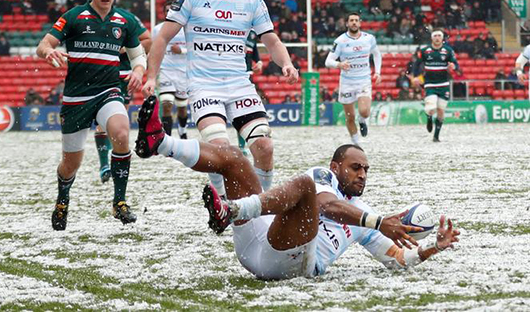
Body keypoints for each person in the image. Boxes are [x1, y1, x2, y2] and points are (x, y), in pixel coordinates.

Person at [134, 96, 460, 280]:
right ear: (336, 167)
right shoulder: (327, 180)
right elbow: (327, 206)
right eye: (355, 167)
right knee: (234, 157)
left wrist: (433, 247)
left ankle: (231, 210)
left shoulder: (364, 218)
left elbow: (400, 260)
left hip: (294, 263)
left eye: (366, 170)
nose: (362, 174)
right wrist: (376, 221)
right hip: (258, 241)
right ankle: (160, 142)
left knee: (301, 189)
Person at [142, 0, 299, 197]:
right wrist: (151, 77)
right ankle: (222, 199)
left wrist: (287, 63)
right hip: (205, 86)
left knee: (265, 146)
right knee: (221, 150)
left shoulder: (251, 0)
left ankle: (260, 203)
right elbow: (162, 39)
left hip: (240, 86)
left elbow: (271, 40)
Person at [36, 0, 147, 230]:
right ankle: (63, 199)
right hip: (76, 98)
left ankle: (119, 202)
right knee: (71, 163)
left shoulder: (126, 20)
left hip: (109, 91)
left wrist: (140, 71)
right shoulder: (74, 16)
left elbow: (137, 54)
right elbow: (44, 44)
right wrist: (48, 52)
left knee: (121, 134)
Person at [94, 14, 151, 184]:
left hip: (125, 76)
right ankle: (104, 165)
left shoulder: (126, 18)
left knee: (119, 120)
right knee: (103, 119)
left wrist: (125, 47)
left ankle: (113, 158)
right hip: (102, 75)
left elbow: (148, 41)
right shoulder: (88, 20)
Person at [325, 12, 382, 145]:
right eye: (351, 20)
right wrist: (339, 64)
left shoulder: (369, 38)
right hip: (347, 83)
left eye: (356, 20)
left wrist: (377, 72)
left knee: (365, 111)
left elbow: (377, 55)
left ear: (360, 23)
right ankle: (356, 144)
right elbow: (328, 61)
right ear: (347, 23)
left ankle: (363, 120)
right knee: (350, 117)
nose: (354, 23)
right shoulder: (340, 41)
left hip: (364, 80)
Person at [412, 30, 459, 142]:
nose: (437, 38)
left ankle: (436, 136)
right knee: (431, 108)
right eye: (435, 36)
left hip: (444, 84)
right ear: (432, 38)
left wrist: (453, 66)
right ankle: (429, 117)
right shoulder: (425, 51)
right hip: (430, 84)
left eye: (439, 36)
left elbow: (455, 64)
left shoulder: (448, 50)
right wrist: (416, 76)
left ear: (442, 38)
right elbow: (417, 63)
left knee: (441, 111)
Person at [153, 1, 189, 141]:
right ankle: (167, 138)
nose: (169, 12)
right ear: (164, 13)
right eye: (166, 10)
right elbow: (155, 50)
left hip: (183, 73)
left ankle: (182, 131)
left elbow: (195, 50)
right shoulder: (157, 30)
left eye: (172, 10)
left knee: (182, 107)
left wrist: (182, 50)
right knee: (166, 104)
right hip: (166, 71)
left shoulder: (186, 29)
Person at [237, 29, 263, 156]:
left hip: (246, 75)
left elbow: (254, 52)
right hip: (229, 75)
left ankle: (242, 146)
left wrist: (259, 62)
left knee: (242, 110)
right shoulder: (230, 25)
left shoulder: (252, 33)